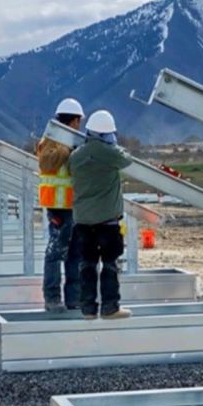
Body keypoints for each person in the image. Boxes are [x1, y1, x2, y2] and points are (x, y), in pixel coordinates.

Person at [69, 110, 133, 319]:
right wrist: (115, 147)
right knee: (109, 263)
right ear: (107, 134)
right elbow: (126, 159)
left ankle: (87, 309)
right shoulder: (109, 153)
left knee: (86, 264)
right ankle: (110, 307)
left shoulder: (76, 156)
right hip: (108, 220)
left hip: (82, 221)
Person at [37, 98, 84, 313]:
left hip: (74, 207)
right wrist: (67, 148)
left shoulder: (73, 141)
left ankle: (74, 299)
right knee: (55, 252)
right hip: (58, 207)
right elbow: (47, 163)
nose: (79, 126)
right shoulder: (51, 140)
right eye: (78, 122)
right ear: (73, 121)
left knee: (75, 253)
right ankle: (52, 298)